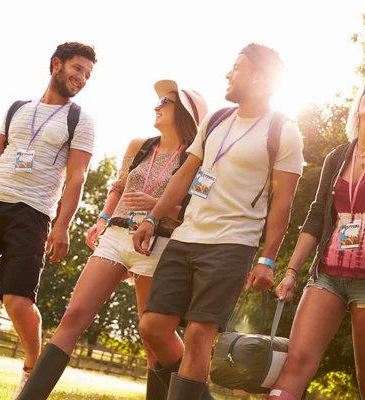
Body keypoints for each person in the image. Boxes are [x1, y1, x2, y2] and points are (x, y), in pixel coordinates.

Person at [14, 80, 208, 399]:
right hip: (116, 237)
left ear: (186, 113)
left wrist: (157, 207)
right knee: (73, 316)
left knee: (153, 342)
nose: (157, 105)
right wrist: (102, 219)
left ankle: (193, 393)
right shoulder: (140, 145)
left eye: (165, 101)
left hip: (157, 248)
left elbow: (197, 213)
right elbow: (118, 188)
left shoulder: (197, 160)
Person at [132, 43, 304, 399]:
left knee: (198, 336)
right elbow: (185, 175)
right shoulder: (216, 119)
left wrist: (267, 259)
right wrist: (153, 216)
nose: (228, 73)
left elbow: (283, 204)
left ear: (258, 77)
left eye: (237, 67)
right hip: (186, 236)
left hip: (232, 245)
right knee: (153, 327)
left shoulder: (284, 132)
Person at [269, 76, 365, 400]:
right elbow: (316, 214)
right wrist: (292, 271)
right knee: (294, 364)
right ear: (359, 102)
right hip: (327, 276)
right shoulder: (337, 156)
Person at [0, 42, 97, 398]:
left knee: (16, 301)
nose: (82, 78)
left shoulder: (80, 120)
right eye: (77, 69)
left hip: (32, 212)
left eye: (87, 74)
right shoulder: (17, 109)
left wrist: (62, 225)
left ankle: (30, 368)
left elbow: (77, 177)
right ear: (56, 64)